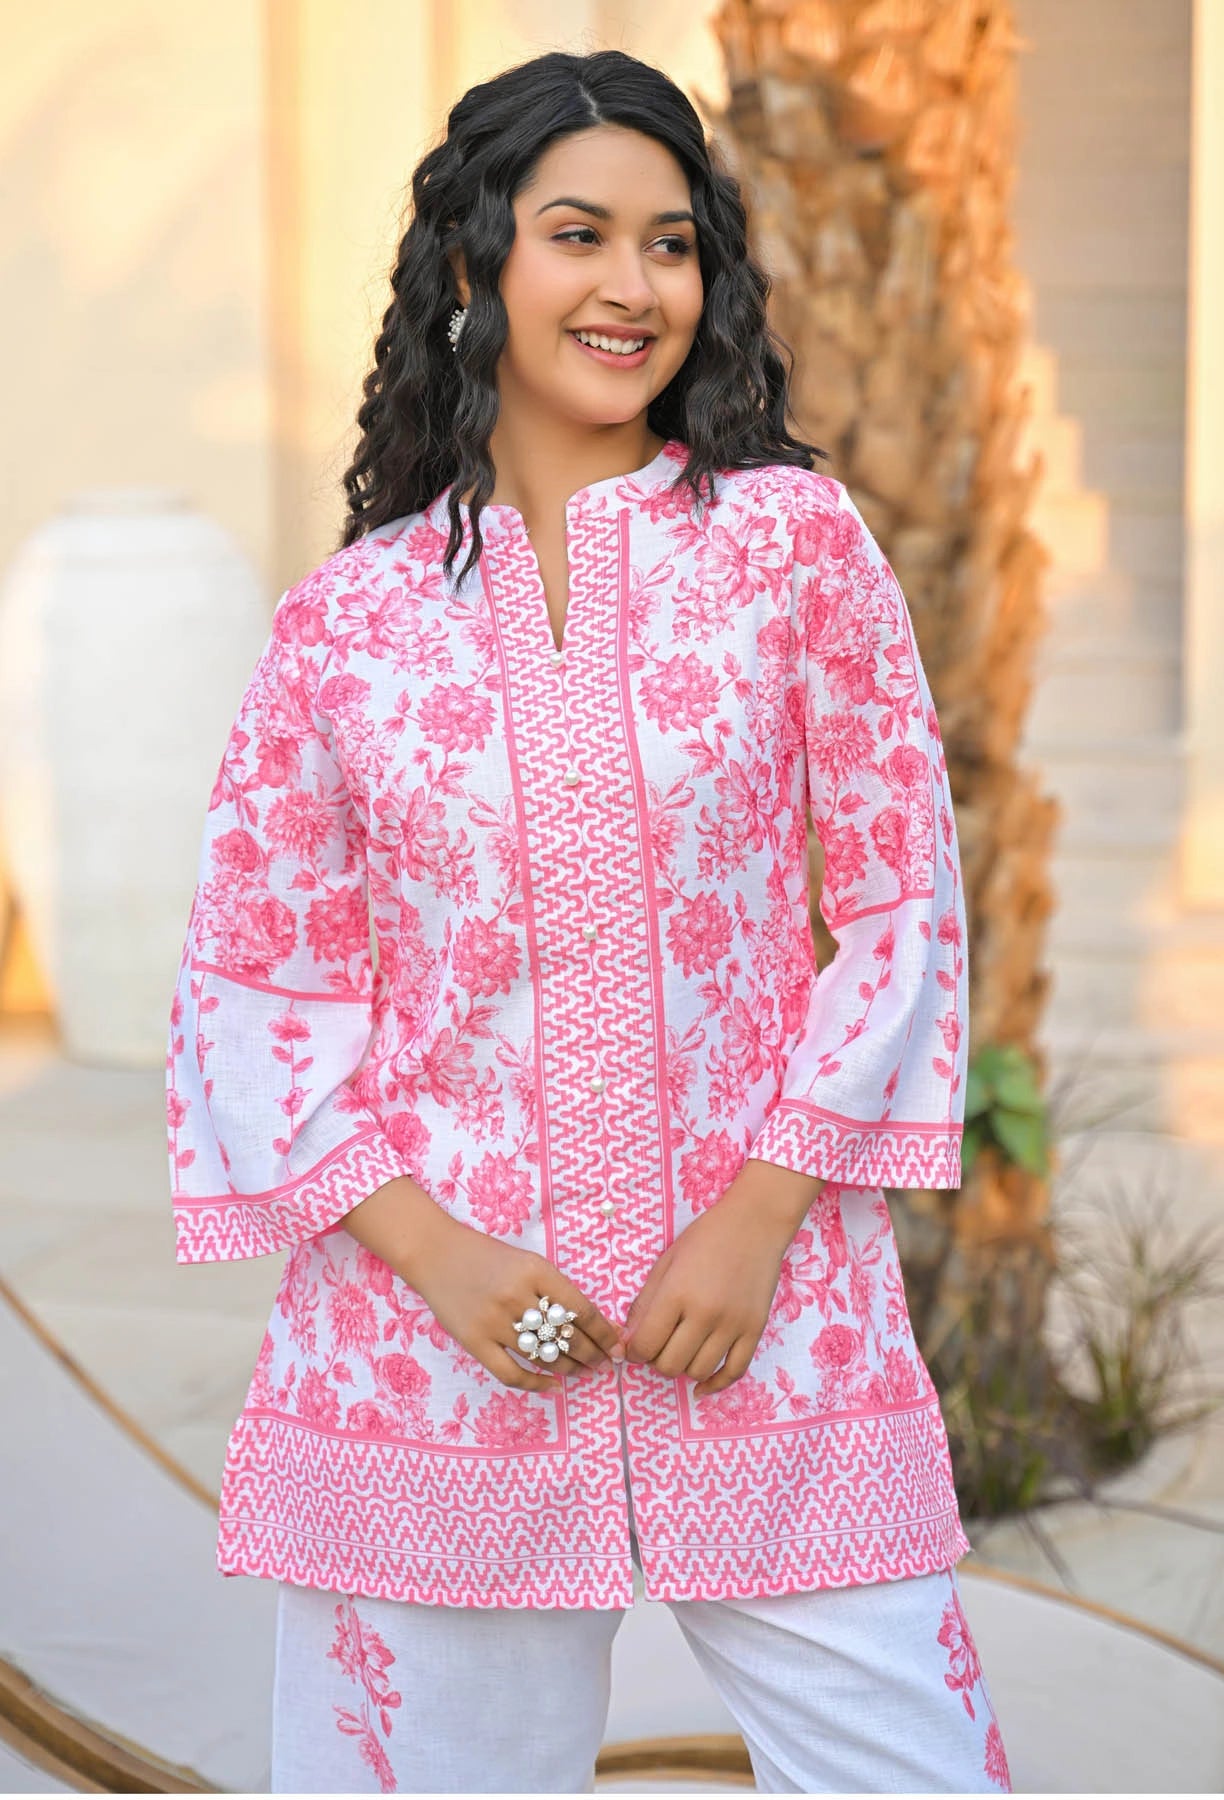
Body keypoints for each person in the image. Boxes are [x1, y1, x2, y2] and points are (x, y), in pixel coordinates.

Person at [166, 46, 1011, 1796]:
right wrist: (445, 1261)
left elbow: (899, 902)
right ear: (475, 267)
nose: (636, 287)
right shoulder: (347, 630)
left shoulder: (794, 550)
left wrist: (758, 1216)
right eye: (579, 236)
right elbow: (264, 995)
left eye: (674, 243)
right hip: (428, 1358)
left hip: (780, 1326)